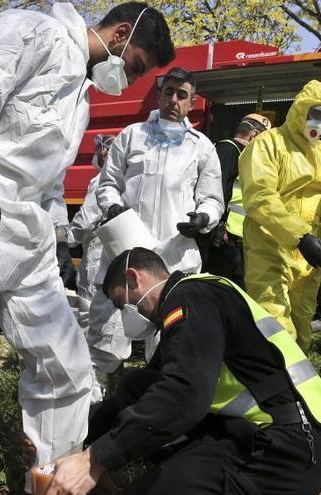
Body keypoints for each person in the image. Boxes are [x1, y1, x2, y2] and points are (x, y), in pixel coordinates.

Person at [0, 4, 174, 494]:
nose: (129, 80)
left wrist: (56, 238)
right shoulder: (31, 29)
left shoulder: (79, 96)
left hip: (25, 236)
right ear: (122, 34)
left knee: (66, 363)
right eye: (136, 65)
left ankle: (53, 478)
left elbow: (48, 178)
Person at [44, 247, 321, 495]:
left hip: (285, 451)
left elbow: (183, 395)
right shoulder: (199, 295)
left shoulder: (190, 298)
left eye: (123, 304)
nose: (128, 314)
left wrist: (96, 459)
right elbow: (144, 391)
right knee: (140, 385)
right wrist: (71, 430)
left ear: (135, 278)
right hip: (264, 434)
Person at [96, 66, 223, 358]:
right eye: (168, 92)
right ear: (159, 96)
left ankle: (163, 395)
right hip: (127, 250)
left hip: (174, 254)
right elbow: (108, 184)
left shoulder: (201, 147)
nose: (174, 101)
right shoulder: (132, 136)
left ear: (193, 103)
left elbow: (212, 199)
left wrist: (202, 219)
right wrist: (113, 206)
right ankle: (97, 397)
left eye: (182, 95)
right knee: (108, 328)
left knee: (173, 338)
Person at [239, 80, 321, 352]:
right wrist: (299, 236)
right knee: (273, 323)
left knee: (302, 326)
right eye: (316, 114)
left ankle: (293, 391)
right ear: (299, 110)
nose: (320, 122)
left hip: (307, 257)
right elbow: (260, 197)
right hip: (270, 247)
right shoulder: (268, 144)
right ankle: (270, 389)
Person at [66, 134, 130, 402]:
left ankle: (92, 392)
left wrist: (63, 239)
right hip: (117, 256)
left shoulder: (101, 181)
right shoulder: (127, 180)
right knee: (116, 322)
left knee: (91, 320)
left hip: (97, 260)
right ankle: (112, 382)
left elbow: (84, 221)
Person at [199, 113, 272, 287]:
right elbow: (217, 191)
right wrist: (218, 228)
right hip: (224, 237)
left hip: (236, 238)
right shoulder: (228, 150)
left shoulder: (242, 155)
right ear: (254, 135)